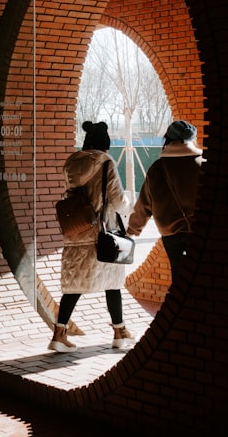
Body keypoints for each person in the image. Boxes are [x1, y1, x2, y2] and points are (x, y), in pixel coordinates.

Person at [49, 121, 134, 353]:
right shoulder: (106, 163)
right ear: (105, 144)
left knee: (73, 285)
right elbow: (117, 200)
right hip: (102, 232)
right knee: (113, 283)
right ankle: (119, 332)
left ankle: (59, 333)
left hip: (76, 229)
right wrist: (128, 204)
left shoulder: (71, 163)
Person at [127, 120, 205, 283]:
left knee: (178, 277)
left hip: (170, 232)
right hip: (201, 231)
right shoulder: (202, 165)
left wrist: (132, 230)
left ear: (168, 139)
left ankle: (179, 305)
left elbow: (144, 204)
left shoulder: (157, 167)